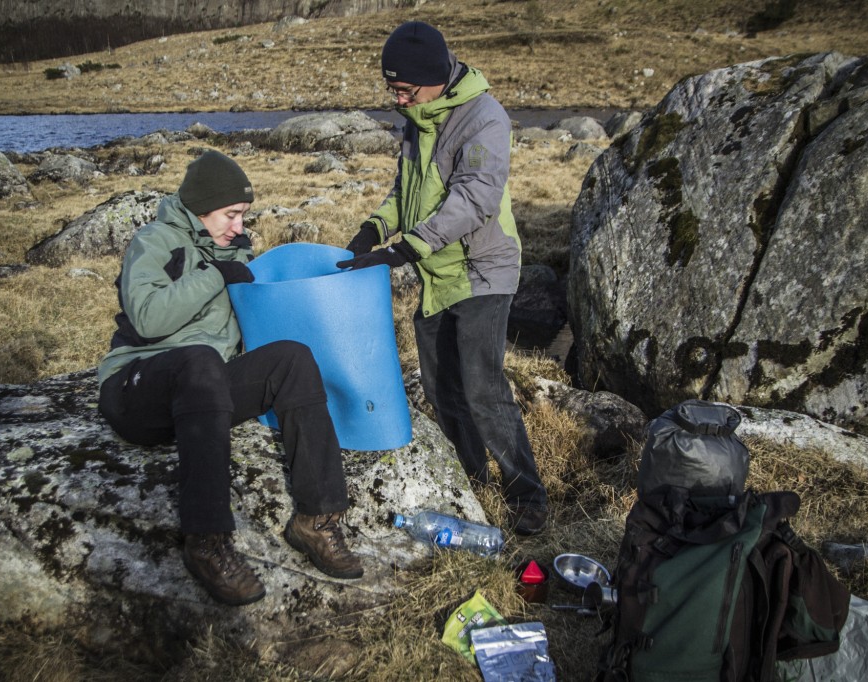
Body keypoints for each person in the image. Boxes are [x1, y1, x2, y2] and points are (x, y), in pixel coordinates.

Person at [98, 150, 363, 606]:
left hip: (202, 393)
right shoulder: (156, 240)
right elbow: (146, 317)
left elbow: (256, 325)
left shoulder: (235, 248)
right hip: (138, 389)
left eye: (243, 215)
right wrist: (214, 275)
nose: (240, 226)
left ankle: (316, 521)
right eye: (231, 215)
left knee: (293, 358)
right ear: (200, 209)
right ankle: (207, 541)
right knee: (199, 359)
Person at [336, 21, 549, 535]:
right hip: (435, 272)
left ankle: (528, 495)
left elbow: (475, 198)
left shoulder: (484, 118)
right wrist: (374, 229)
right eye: (393, 89)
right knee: (439, 386)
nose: (398, 98)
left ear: (435, 78)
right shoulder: (415, 118)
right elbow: (405, 192)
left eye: (405, 88)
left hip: (481, 270)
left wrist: (405, 249)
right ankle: (471, 481)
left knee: (481, 387)